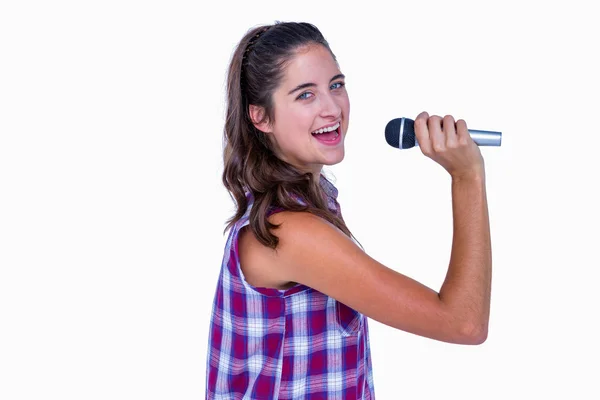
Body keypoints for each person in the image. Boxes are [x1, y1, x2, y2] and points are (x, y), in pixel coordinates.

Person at [205, 21, 492, 399]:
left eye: (336, 86)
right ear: (261, 117)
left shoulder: (306, 206)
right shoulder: (290, 232)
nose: (332, 108)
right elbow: (463, 323)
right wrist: (467, 176)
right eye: (305, 95)